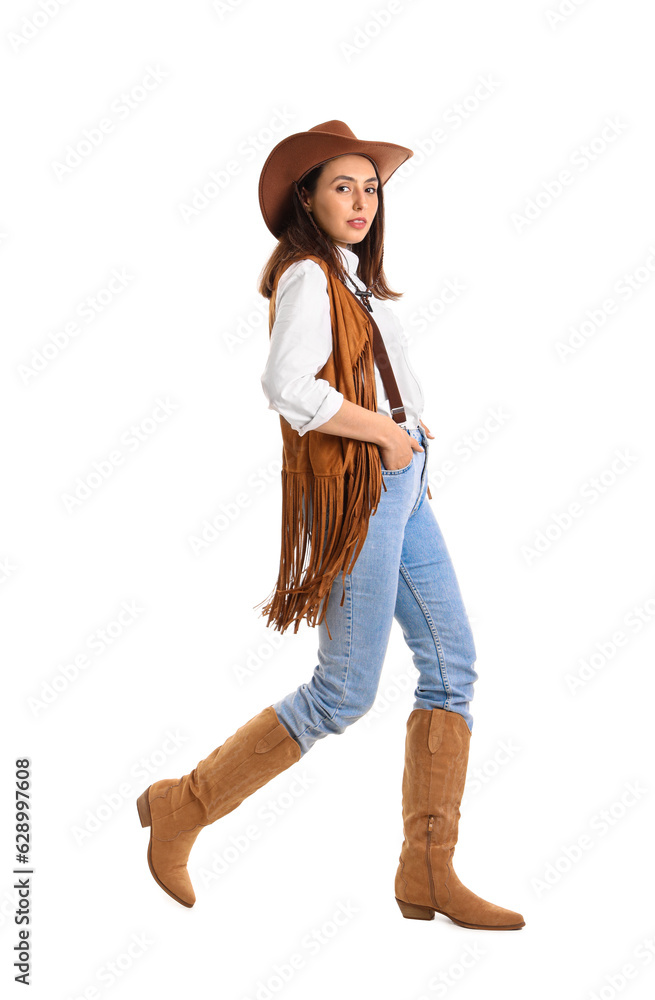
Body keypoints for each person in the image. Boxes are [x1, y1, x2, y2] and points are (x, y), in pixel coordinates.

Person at [136, 120, 525, 931]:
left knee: (452, 665)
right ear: (306, 198)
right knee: (342, 694)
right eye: (341, 186)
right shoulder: (309, 276)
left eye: (370, 186)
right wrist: (384, 435)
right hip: (364, 488)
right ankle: (184, 804)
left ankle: (427, 872)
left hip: (404, 482)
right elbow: (285, 384)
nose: (360, 200)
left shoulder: (349, 279)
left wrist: (406, 440)